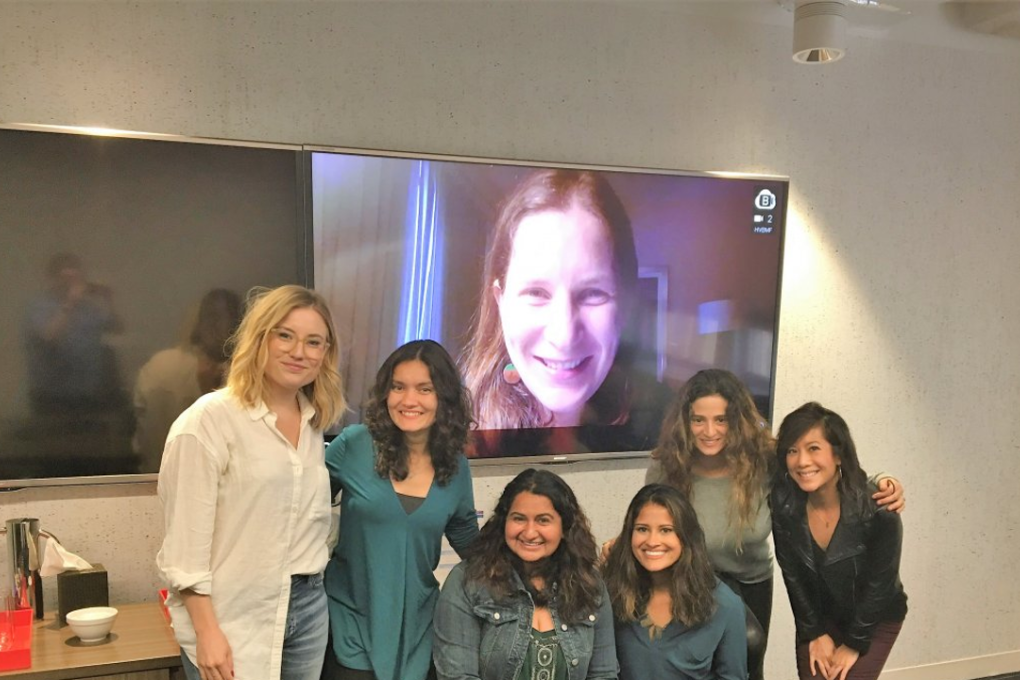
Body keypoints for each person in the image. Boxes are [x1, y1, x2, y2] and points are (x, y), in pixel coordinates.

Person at [644, 369, 905, 680]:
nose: (709, 430)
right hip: (687, 583)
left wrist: (881, 482)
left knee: (748, 668)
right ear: (685, 422)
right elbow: (648, 518)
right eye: (699, 419)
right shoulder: (667, 465)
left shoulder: (764, 458)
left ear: (737, 420)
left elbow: (819, 470)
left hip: (751, 585)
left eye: (722, 419)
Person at [157, 285, 346, 680]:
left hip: (308, 610)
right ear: (259, 338)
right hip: (232, 616)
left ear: (325, 354)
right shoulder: (208, 422)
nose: (299, 352)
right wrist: (207, 632)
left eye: (314, 342)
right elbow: (184, 553)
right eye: (285, 335)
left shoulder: (314, 422)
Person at [461, 169, 667, 439]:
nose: (564, 336)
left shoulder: (665, 432)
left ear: (626, 306)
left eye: (593, 293)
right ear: (501, 302)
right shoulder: (453, 440)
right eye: (536, 293)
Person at [323, 340, 479, 680]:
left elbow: (470, 540)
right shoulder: (353, 445)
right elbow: (302, 503)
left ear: (445, 399)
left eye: (425, 389)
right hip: (350, 621)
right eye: (398, 387)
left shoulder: (455, 466)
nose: (409, 400)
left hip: (419, 626)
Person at [433, 468, 618, 680]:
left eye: (543, 520)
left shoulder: (590, 584)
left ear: (565, 527)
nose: (529, 532)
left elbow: (604, 674)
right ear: (503, 522)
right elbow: (457, 676)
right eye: (519, 519)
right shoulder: (468, 581)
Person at [772, 403, 907, 680]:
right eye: (792, 451)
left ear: (838, 455)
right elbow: (793, 576)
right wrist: (814, 632)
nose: (802, 462)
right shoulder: (783, 505)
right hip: (820, 616)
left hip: (874, 618)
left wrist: (854, 643)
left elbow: (880, 585)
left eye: (813, 448)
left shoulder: (879, 510)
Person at [603, 484, 746, 680]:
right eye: (642, 529)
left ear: (686, 537)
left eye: (666, 530)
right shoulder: (611, 593)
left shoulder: (726, 606)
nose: (652, 541)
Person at [133, 288, 243, 472]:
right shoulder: (163, 368)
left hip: (156, 478)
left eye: (223, 318)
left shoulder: (248, 374)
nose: (217, 326)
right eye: (212, 317)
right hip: (158, 480)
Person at [24, 253, 125, 414]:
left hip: (89, 393)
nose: (72, 284)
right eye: (67, 279)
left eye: (76, 278)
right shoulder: (39, 306)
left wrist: (109, 301)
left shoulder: (89, 308)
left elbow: (117, 329)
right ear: (53, 278)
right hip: (52, 396)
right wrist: (70, 303)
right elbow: (49, 336)